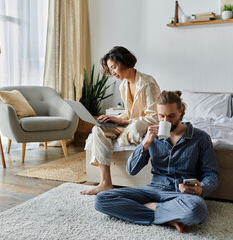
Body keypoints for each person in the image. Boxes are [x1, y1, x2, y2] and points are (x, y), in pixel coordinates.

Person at [94, 90, 220, 233]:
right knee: (102, 199)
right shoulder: (151, 136)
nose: (165, 121)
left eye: (171, 116)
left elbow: (212, 175)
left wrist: (201, 188)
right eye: (161, 116)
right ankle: (169, 218)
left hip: (181, 194)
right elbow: (131, 170)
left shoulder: (201, 138)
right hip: (153, 189)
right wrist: (145, 143)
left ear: (181, 111)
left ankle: (152, 207)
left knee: (197, 210)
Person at [80, 46, 161, 195]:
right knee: (98, 129)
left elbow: (155, 116)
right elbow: (128, 113)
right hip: (129, 124)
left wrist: (123, 122)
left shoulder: (147, 82)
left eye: (114, 67)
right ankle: (105, 183)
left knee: (137, 126)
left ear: (124, 62)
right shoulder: (123, 85)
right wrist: (115, 119)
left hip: (144, 124)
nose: (113, 73)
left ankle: (123, 136)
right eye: (110, 69)